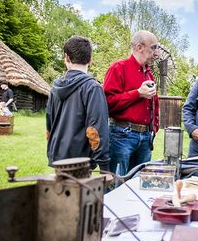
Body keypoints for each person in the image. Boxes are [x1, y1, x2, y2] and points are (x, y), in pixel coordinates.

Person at [46, 35, 110, 171]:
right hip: (80, 160)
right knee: (77, 193)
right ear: (90, 59)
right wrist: (105, 167)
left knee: (62, 192)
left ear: (67, 58)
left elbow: (49, 125)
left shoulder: (55, 87)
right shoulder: (93, 88)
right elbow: (97, 129)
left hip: (58, 157)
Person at [103, 30, 160, 176]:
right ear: (139, 47)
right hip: (122, 136)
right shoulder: (118, 68)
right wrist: (137, 93)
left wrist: (153, 128)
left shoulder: (149, 75)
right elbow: (107, 104)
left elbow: (155, 105)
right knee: (116, 183)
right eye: (153, 47)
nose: (157, 53)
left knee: (138, 185)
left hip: (146, 139)